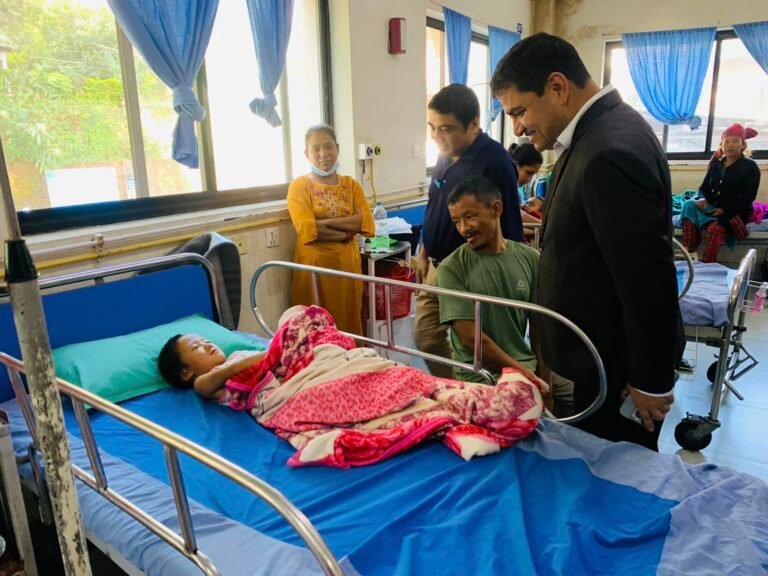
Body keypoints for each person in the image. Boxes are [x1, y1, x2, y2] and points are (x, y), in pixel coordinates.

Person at [491, 32, 683, 449]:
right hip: (594, 358)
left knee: (615, 474)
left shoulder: (609, 151)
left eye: (520, 111)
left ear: (557, 87)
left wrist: (648, 380)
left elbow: (646, 279)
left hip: (613, 370)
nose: (518, 128)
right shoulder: (596, 135)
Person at [436, 176, 573, 416]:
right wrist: (527, 376)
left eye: (470, 217)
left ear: (496, 209)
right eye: (456, 221)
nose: (463, 229)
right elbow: (471, 338)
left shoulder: (530, 259)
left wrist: (545, 380)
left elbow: (539, 326)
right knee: (523, 419)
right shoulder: (452, 268)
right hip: (481, 376)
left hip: (525, 365)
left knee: (583, 400)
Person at [417, 84, 523, 378]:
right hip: (438, 266)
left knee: (476, 348)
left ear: (474, 123)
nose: (436, 136)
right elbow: (434, 203)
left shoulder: (496, 162)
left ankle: (483, 393)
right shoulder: (445, 155)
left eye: (446, 129)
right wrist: (424, 248)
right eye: (432, 127)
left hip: (473, 272)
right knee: (426, 338)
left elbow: (509, 224)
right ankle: (456, 389)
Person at [287, 124, 375, 335]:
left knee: (349, 324)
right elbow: (307, 230)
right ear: (306, 154)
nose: (323, 154)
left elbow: (366, 222)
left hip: (348, 268)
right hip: (315, 270)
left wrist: (324, 223)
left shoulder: (351, 185)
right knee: (316, 329)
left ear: (337, 148)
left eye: (328, 147)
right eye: (316, 149)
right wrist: (346, 232)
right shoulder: (299, 186)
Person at [680, 123, 761, 263]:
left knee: (715, 229)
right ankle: (690, 250)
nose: (730, 145)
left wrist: (725, 211)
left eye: (735, 141)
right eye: (727, 142)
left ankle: (707, 265)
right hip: (713, 208)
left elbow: (748, 197)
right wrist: (702, 198)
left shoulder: (750, 167)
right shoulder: (716, 165)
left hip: (734, 211)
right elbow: (704, 187)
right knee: (688, 204)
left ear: (743, 145)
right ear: (721, 145)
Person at [157, 333, 265, 402]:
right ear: (186, 373)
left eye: (206, 341)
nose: (208, 345)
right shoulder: (202, 385)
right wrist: (271, 353)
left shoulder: (237, 354)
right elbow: (235, 368)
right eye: (196, 347)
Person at [508, 143, 544, 242]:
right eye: (528, 173)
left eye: (532, 175)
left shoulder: (515, 191)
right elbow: (516, 214)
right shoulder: (507, 186)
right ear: (516, 165)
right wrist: (543, 226)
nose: (529, 179)